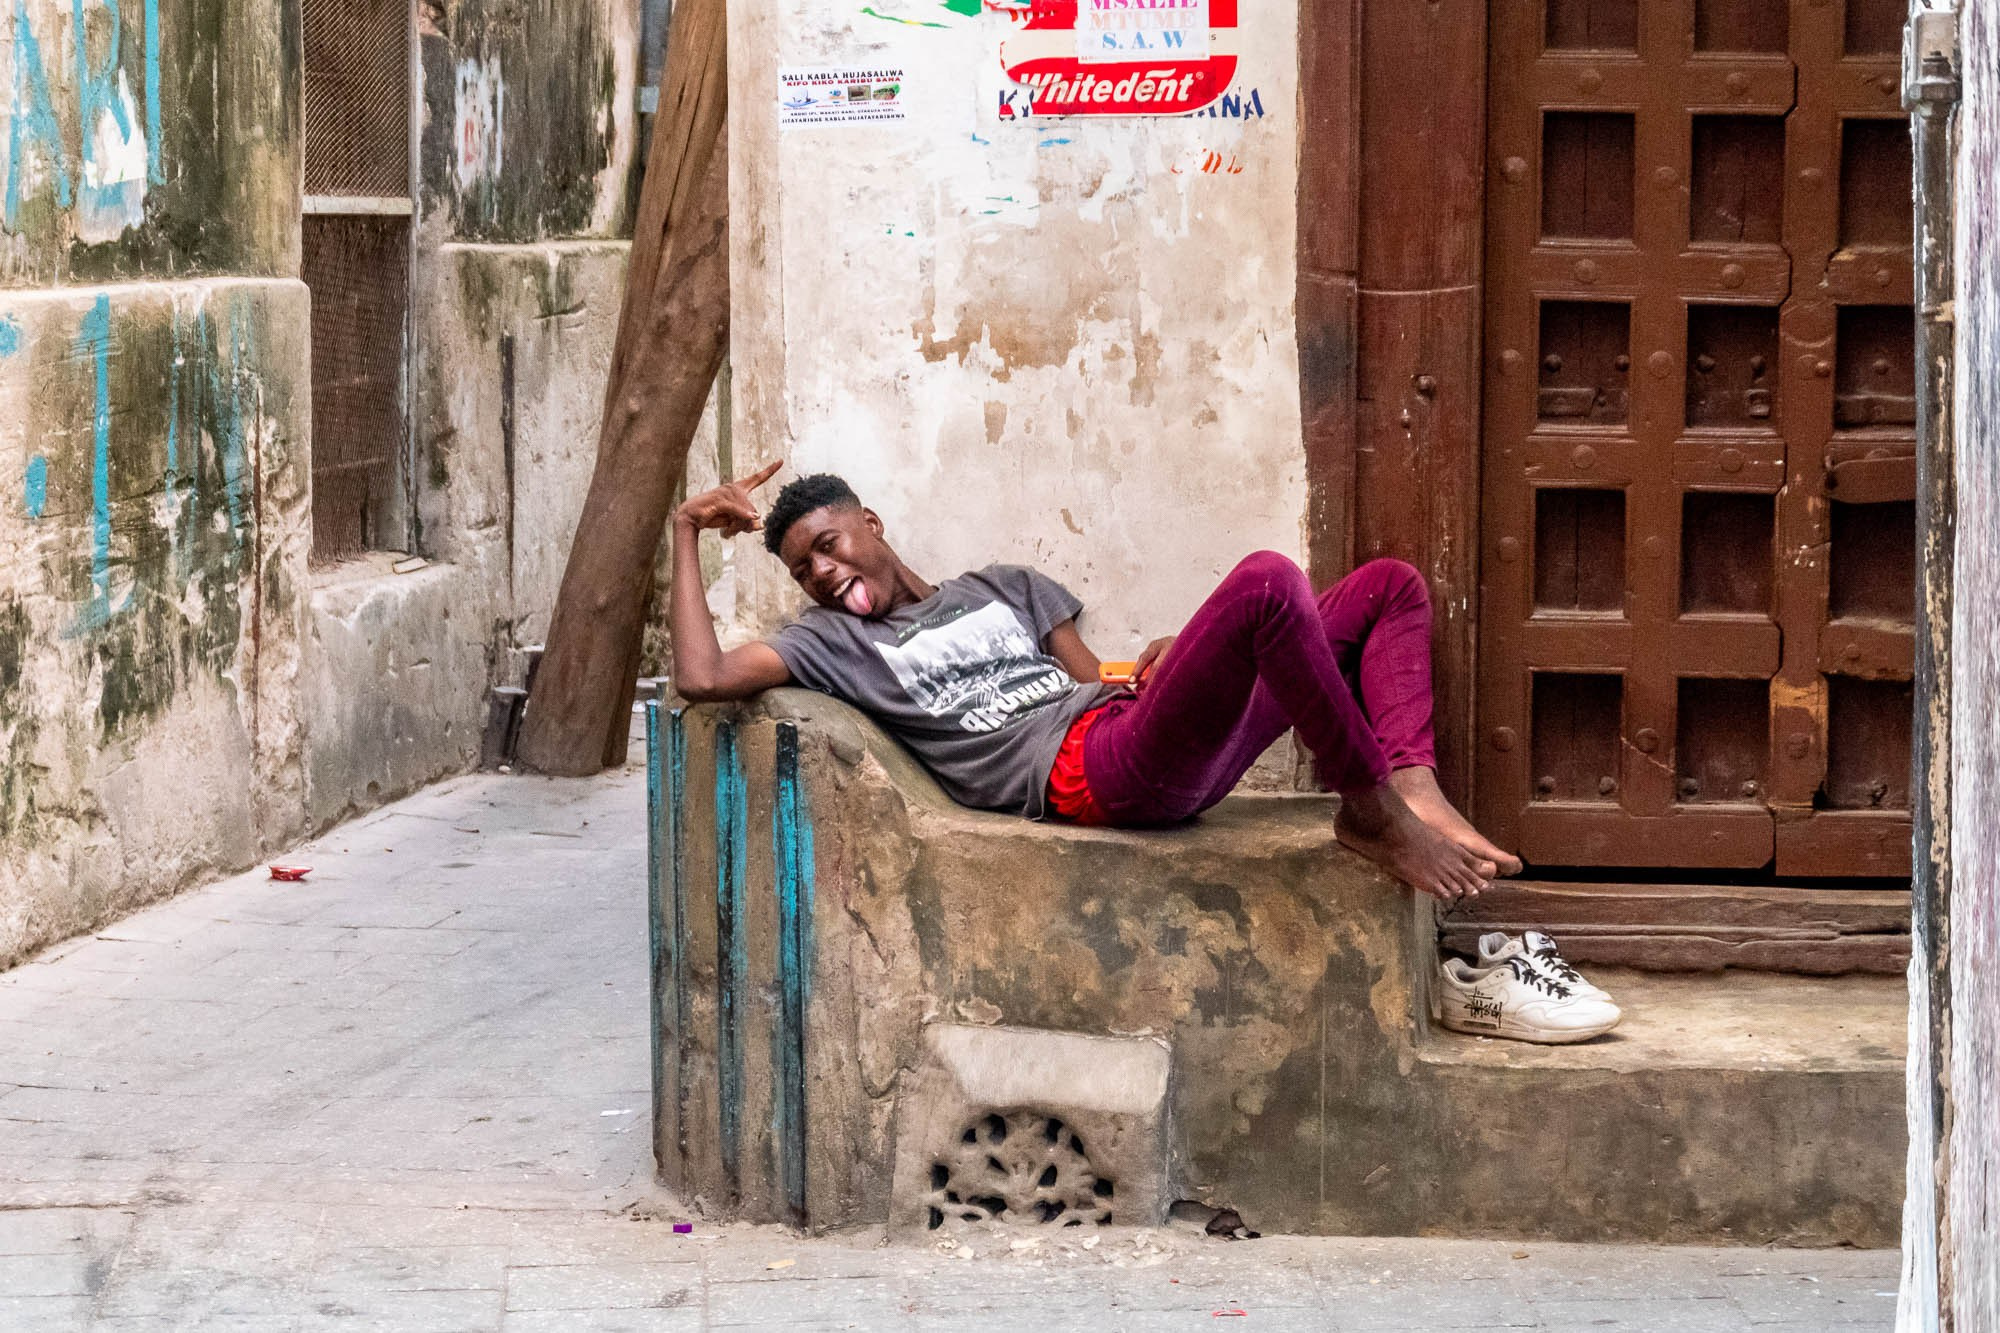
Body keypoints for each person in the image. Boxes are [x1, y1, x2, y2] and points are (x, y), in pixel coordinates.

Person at [668, 463, 1521, 902]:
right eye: (804, 569)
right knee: (1267, 582)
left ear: (870, 522)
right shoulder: (829, 642)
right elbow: (703, 676)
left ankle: (1412, 786)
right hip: (1088, 774)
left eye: (827, 544)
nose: (821, 571)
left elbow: (1096, 681)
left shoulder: (1003, 586)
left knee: (1388, 587)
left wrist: (1183, 660)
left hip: (1133, 735)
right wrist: (684, 528)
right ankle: (1372, 814)